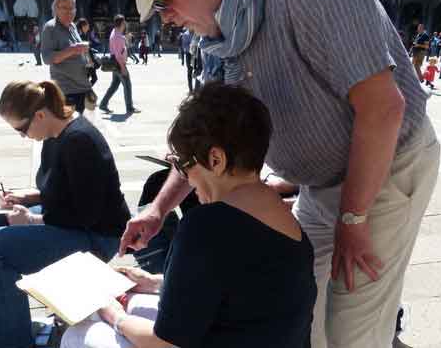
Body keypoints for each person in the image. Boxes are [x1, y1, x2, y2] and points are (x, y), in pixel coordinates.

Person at [123, 0, 440, 348]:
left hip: (382, 172)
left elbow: (384, 108)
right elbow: (206, 139)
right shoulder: (227, 27)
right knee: (297, 313)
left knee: (354, 329)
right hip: (321, 183)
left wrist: (353, 217)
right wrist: (158, 211)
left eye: (164, 1)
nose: (168, 19)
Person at [61, 83, 317, 348]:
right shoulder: (290, 222)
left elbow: (166, 344)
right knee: (136, 301)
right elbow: (245, 292)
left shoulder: (207, 227)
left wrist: (115, 316)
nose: (187, 179)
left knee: (80, 332)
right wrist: (156, 283)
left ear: (216, 160)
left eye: (183, 166)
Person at [0, 80, 131, 348]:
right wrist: (25, 198)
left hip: (96, 236)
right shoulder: (54, 135)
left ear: (40, 115)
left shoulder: (80, 141)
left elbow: (86, 215)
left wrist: (33, 220)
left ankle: (12, 341)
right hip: (70, 221)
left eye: (21, 129)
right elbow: (59, 190)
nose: (22, 136)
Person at [41, 0, 92, 114]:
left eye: (72, 8)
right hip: (67, 92)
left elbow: (78, 51)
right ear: (56, 9)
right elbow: (47, 58)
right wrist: (73, 49)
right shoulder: (50, 28)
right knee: (69, 129)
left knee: (84, 128)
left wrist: (89, 60)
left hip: (83, 87)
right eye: (64, 8)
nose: (69, 12)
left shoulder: (73, 26)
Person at [99, 15, 140, 115]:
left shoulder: (115, 33)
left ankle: (103, 104)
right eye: (124, 22)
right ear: (122, 23)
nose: (125, 24)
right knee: (127, 85)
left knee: (114, 85)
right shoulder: (118, 36)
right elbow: (118, 54)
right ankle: (129, 108)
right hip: (118, 62)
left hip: (115, 62)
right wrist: (122, 68)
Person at [76, 18, 99, 87]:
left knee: (88, 78)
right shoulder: (82, 36)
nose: (88, 26)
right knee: (93, 78)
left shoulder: (85, 35)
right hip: (87, 61)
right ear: (83, 26)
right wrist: (90, 61)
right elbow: (84, 51)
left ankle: (85, 91)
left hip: (87, 61)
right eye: (87, 24)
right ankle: (85, 91)